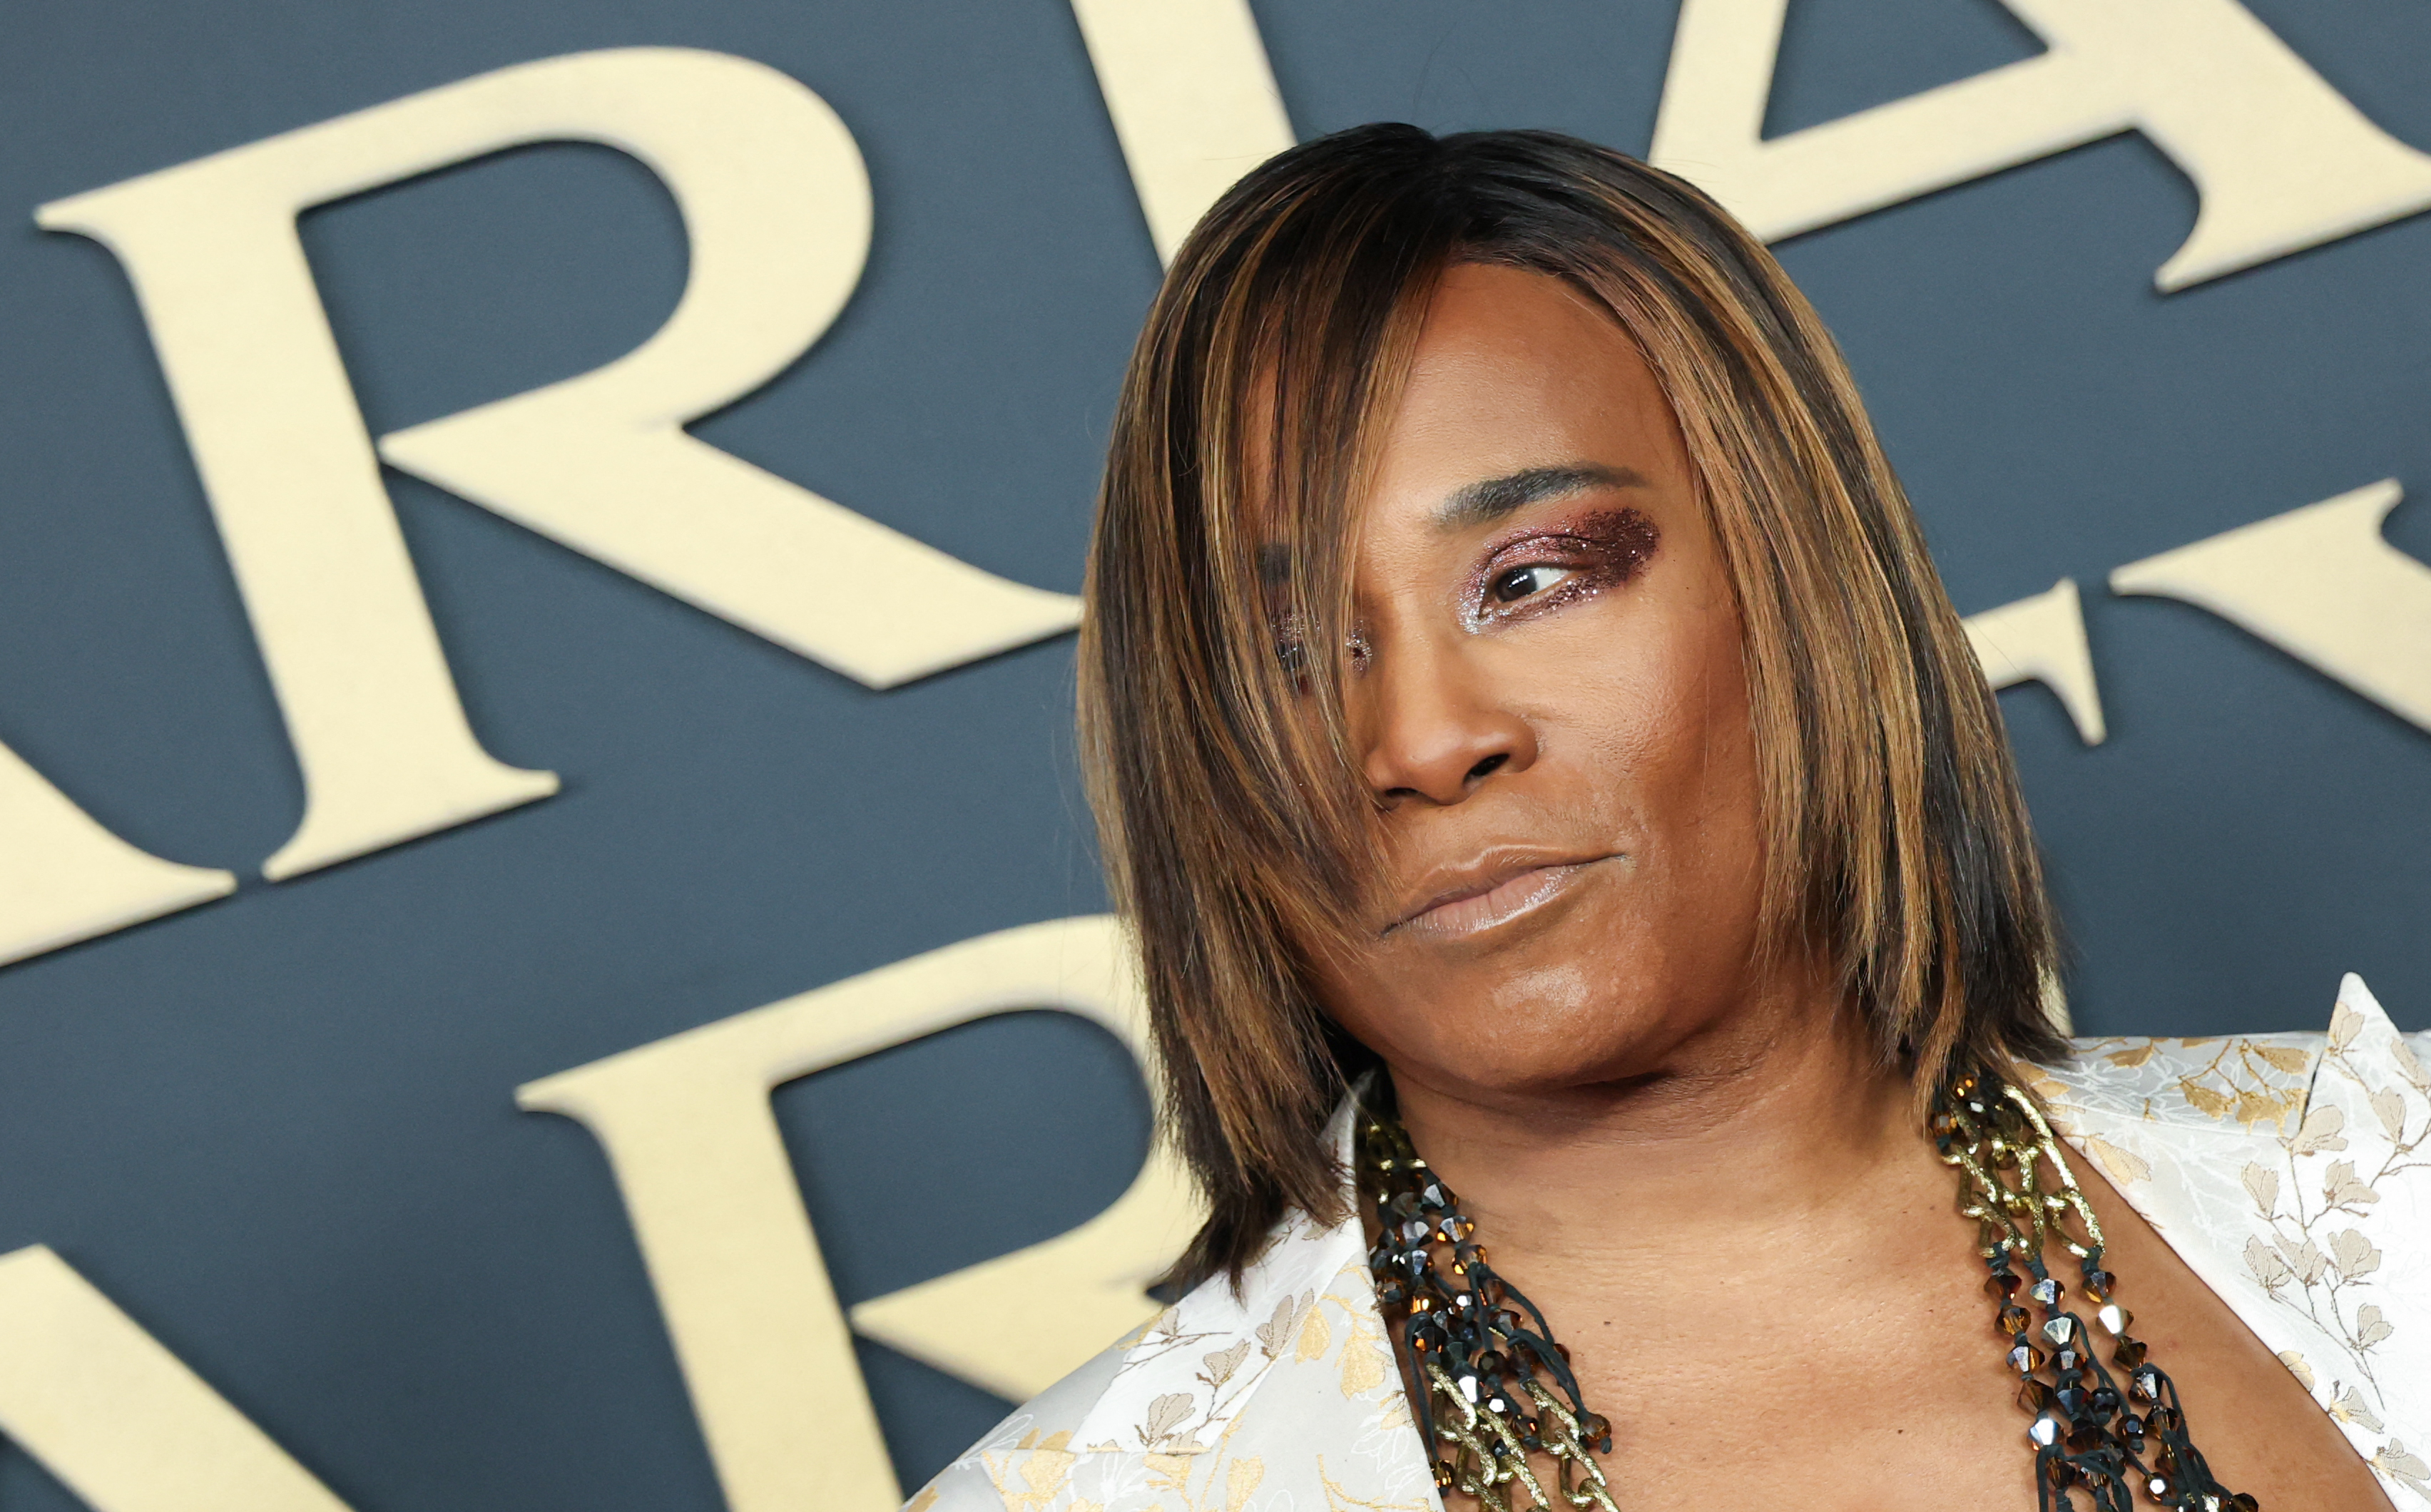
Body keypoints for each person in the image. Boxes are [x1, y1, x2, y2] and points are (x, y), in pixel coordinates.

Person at [909, 126, 2425, 1511]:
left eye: (1533, 578)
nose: (1423, 741)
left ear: (1798, 585)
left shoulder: (2389, 1191)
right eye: (1291, 657)